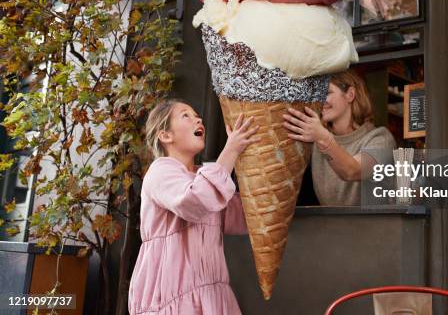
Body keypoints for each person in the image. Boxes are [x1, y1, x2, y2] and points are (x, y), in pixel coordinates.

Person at [128, 99, 258, 315]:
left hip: (211, 292)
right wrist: (230, 152)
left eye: (197, 115)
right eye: (185, 115)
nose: (198, 119)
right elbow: (196, 201)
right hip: (172, 295)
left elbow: (245, 217)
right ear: (166, 135)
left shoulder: (204, 178)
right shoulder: (161, 171)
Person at [283, 70, 396, 206]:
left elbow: (353, 171)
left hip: (374, 226)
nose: (320, 100)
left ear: (350, 95)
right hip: (330, 226)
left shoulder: (380, 139)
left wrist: (323, 138)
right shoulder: (315, 139)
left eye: (327, 92)